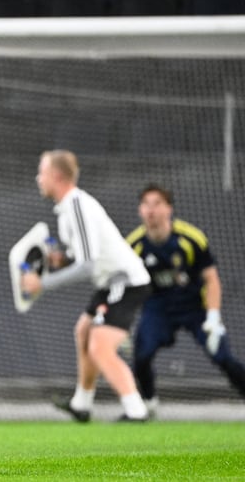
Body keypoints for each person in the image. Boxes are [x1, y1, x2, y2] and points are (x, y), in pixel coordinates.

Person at [21, 150, 152, 422]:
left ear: (57, 176)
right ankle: (82, 405)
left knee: (100, 346)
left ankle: (136, 410)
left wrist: (42, 283)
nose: (38, 178)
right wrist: (62, 258)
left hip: (125, 282)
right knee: (83, 331)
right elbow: (82, 256)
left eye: (42, 172)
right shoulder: (66, 209)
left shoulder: (77, 205)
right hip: (110, 282)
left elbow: (89, 265)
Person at [126, 184, 245, 414]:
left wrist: (212, 318)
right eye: (146, 205)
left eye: (157, 204)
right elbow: (125, 285)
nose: (151, 210)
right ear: (140, 210)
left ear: (169, 209)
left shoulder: (191, 238)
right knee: (141, 357)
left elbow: (211, 279)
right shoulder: (133, 246)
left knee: (223, 357)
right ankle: (148, 403)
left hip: (194, 306)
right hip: (157, 307)